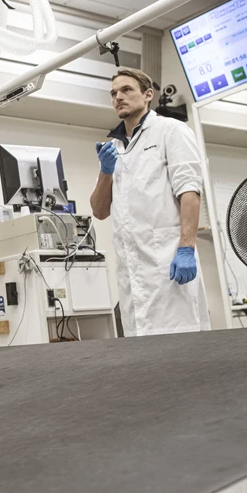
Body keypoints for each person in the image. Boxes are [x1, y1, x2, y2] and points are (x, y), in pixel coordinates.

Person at [89, 68, 211, 336]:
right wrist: (105, 170)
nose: (118, 97)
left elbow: (189, 190)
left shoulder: (171, 131)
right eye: (113, 94)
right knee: (142, 357)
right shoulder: (115, 147)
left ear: (147, 95)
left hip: (169, 265)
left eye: (126, 90)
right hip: (132, 276)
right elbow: (98, 211)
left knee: (179, 351)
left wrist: (187, 248)